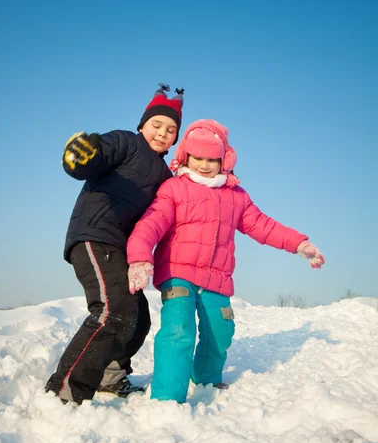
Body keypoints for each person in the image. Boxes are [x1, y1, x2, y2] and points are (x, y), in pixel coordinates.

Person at [126, 119, 325, 403]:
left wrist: (298, 243)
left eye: (212, 159)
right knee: (178, 329)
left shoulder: (236, 197)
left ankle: (206, 379)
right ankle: (167, 396)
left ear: (224, 160)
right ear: (186, 156)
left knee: (220, 331)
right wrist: (139, 257)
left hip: (217, 279)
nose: (204, 165)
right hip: (177, 273)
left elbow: (263, 225)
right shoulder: (174, 189)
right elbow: (150, 224)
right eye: (198, 158)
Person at [46, 84, 184, 404]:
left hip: (121, 249)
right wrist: (83, 154)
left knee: (138, 317)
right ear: (142, 125)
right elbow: (94, 158)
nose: (163, 133)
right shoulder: (126, 142)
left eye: (171, 129)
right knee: (112, 311)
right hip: (95, 236)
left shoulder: (166, 177)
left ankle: (110, 374)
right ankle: (65, 391)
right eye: (156, 125)